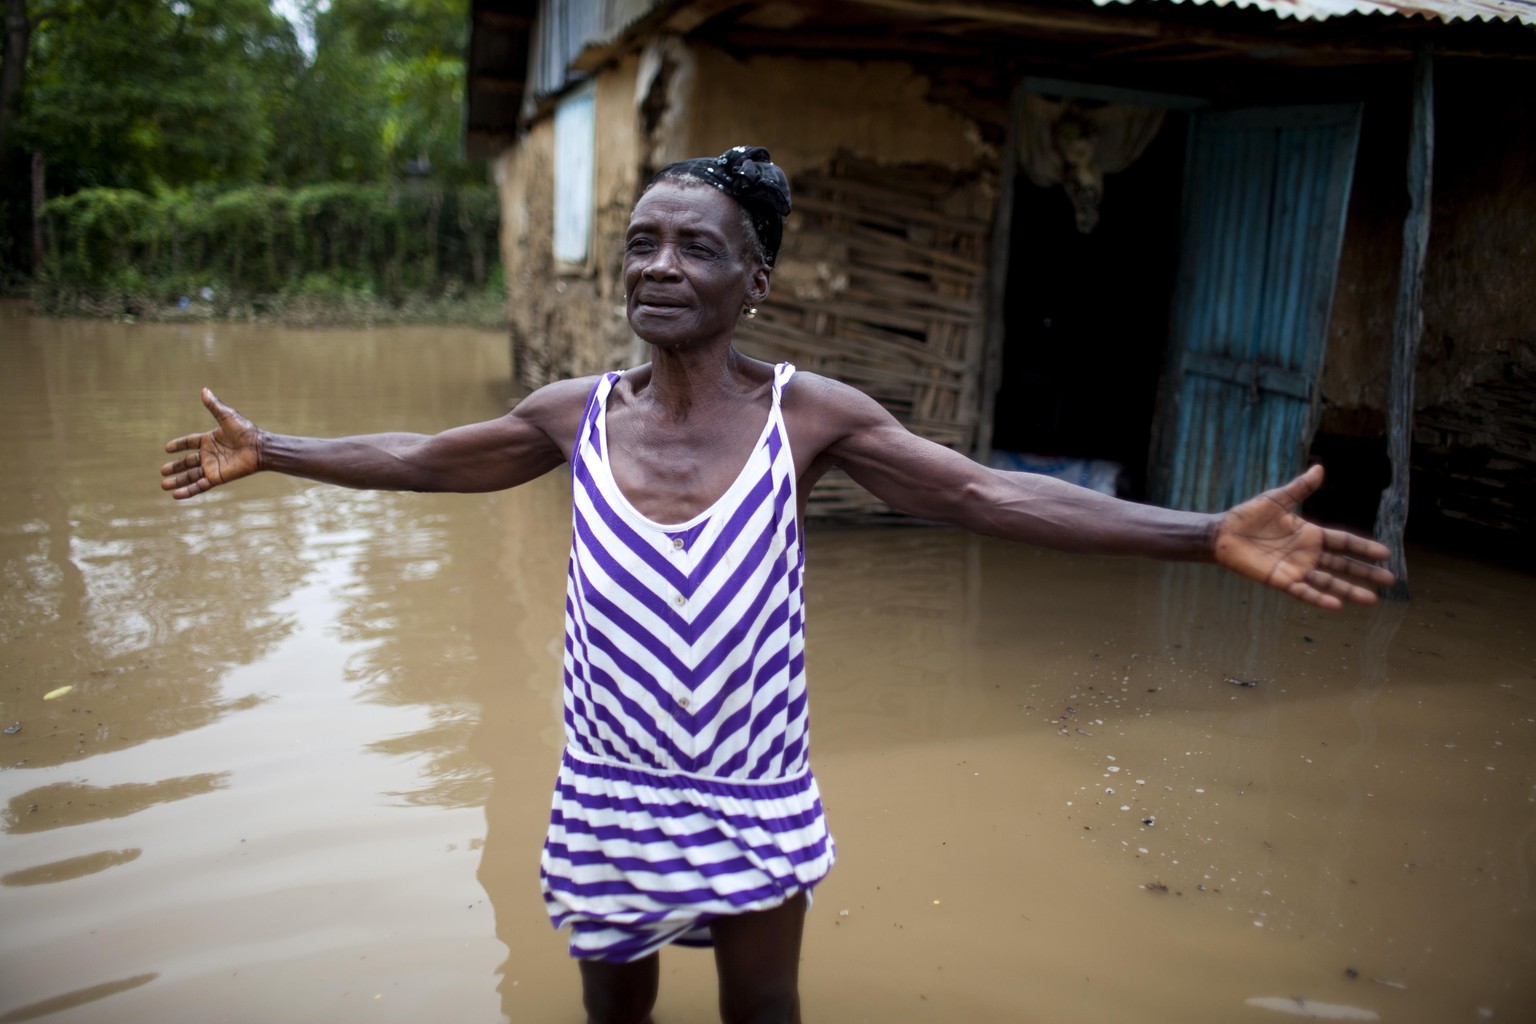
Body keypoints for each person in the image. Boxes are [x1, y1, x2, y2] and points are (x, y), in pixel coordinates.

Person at [161, 145, 1394, 1024]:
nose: (658, 264)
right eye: (642, 242)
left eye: (697, 246)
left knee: (764, 1007)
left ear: (756, 281)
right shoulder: (573, 415)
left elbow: (991, 495)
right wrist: (277, 451)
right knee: (615, 1009)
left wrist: (1200, 534)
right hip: (609, 789)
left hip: (749, 790)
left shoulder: (808, 416)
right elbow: (424, 460)